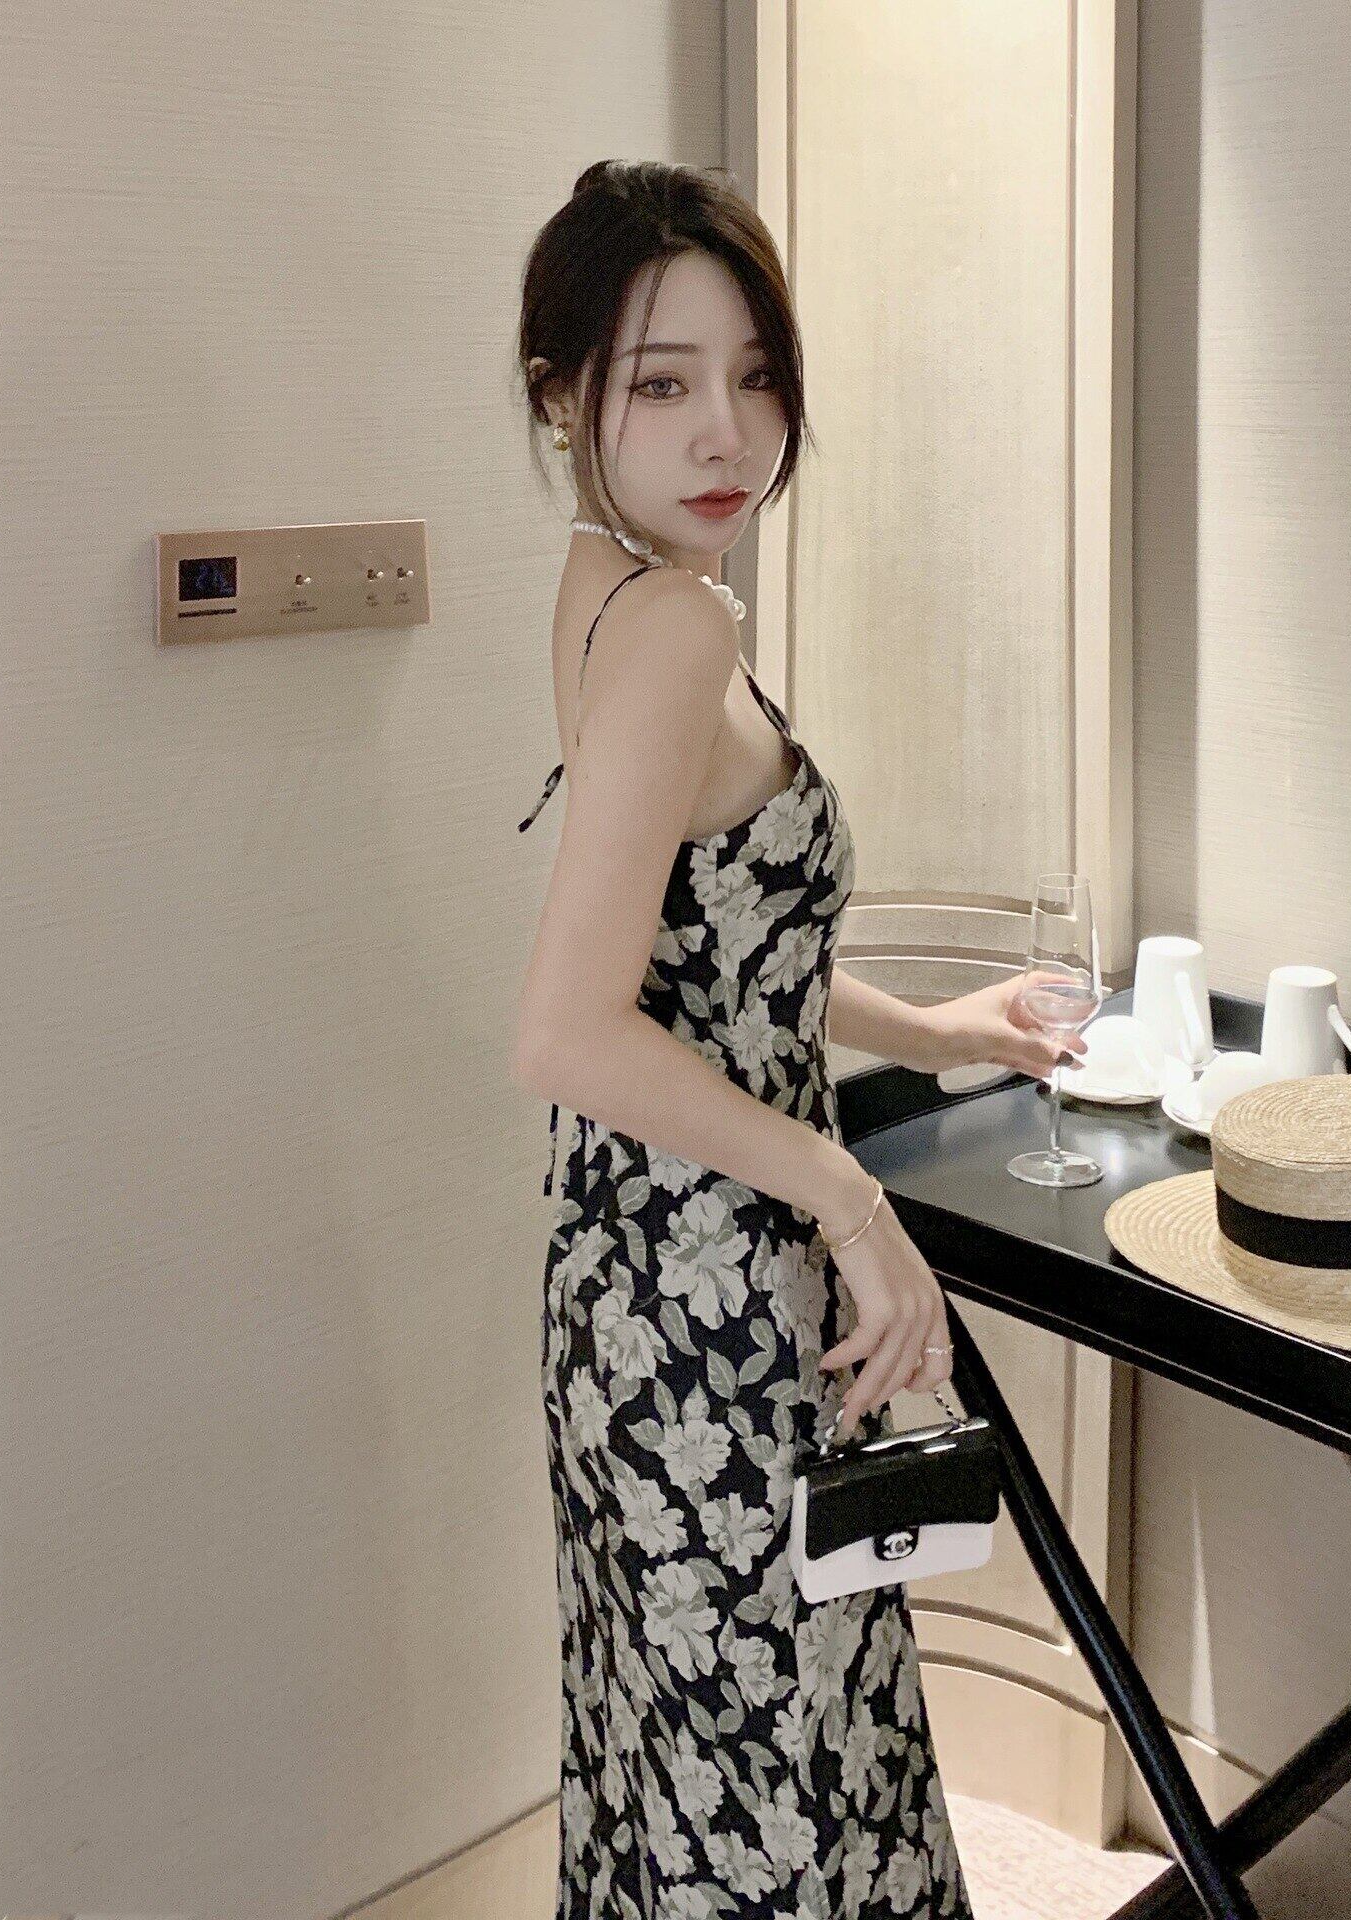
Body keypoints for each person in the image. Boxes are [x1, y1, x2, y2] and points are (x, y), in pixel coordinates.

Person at [511, 158, 1080, 1920]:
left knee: (698, 1755)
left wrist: (943, 1022)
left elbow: (712, 966)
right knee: (783, 1767)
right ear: (561, 397)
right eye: (662, 381)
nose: (728, 431)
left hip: (630, 1278)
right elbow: (566, 1027)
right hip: (709, 1300)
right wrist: (849, 1194)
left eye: (755, 374)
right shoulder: (676, 627)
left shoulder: (606, 584)